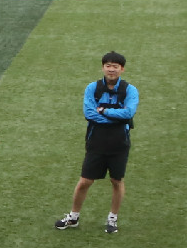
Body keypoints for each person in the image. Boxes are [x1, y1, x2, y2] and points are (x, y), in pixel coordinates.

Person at [56, 51, 136, 233]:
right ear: (102, 68)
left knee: (116, 181)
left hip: (119, 143)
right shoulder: (92, 88)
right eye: (108, 66)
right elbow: (89, 113)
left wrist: (105, 112)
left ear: (122, 69)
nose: (111, 69)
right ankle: (73, 217)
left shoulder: (130, 90)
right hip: (96, 142)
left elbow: (128, 113)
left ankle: (112, 218)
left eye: (115, 66)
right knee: (85, 181)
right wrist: (116, 118)